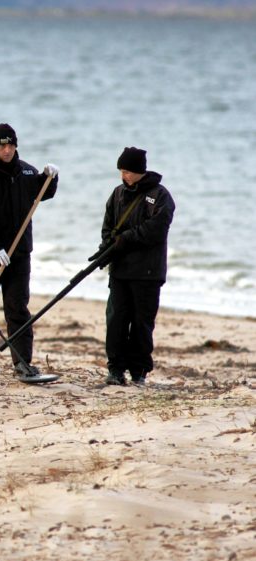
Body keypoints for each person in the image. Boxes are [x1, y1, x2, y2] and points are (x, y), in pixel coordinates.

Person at [0, 123, 59, 377]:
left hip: (19, 252)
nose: (7, 150)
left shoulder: (26, 172)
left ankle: (22, 363)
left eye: (11, 145)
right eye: (2, 145)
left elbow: (42, 193)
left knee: (18, 307)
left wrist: (50, 178)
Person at [94, 147, 175, 386]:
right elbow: (108, 226)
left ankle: (138, 372)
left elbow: (157, 229)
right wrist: (107, 246)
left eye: (127, 171)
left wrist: (126, 238)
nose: (123, 176)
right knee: (116, 319)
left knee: (141, 324)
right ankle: (115, 370)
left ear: (140, 170)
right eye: (121, 170)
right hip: (120, 270)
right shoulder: (117, 194)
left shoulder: (160, 196)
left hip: (148, 273)